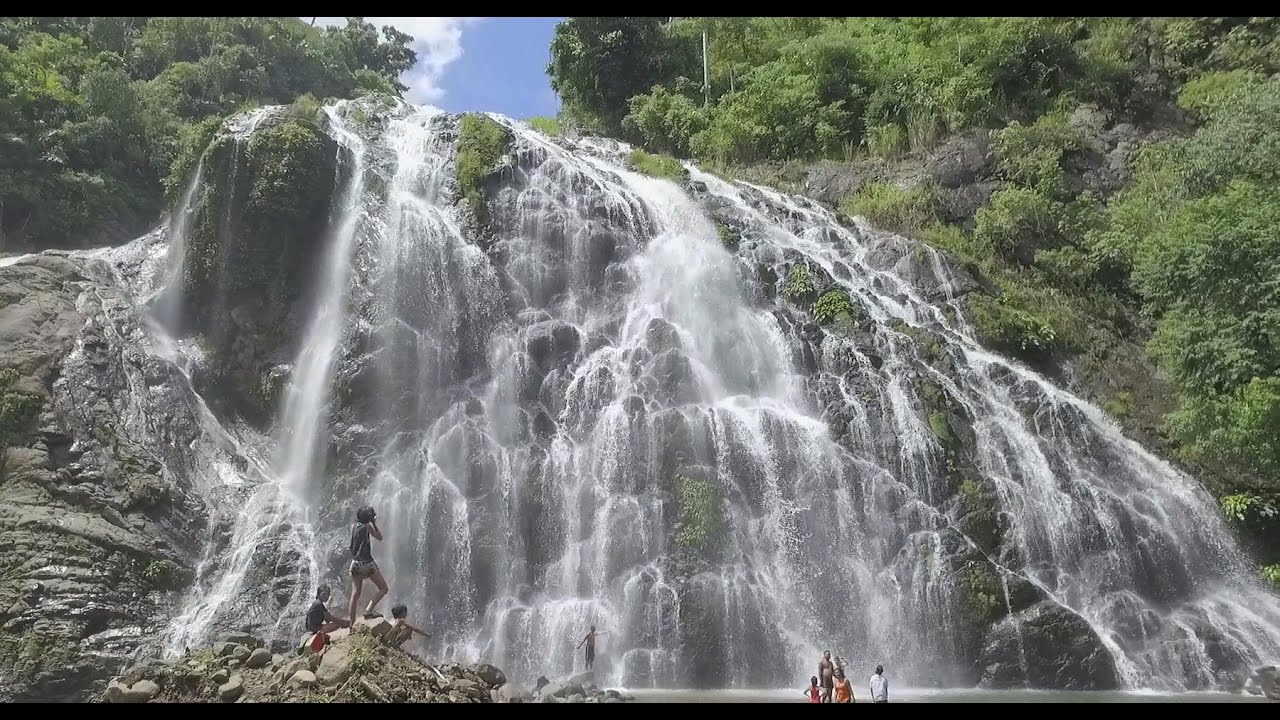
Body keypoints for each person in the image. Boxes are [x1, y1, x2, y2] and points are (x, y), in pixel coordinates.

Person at [347, 505, 389, 623]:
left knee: (355, 594)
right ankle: (368, 610)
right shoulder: (367, 527)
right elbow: (380, 537)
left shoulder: (353, 526)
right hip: (366, 563)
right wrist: (374, 523)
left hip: (355, 563)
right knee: (383, 588)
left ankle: (351, 622)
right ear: (369, 518)